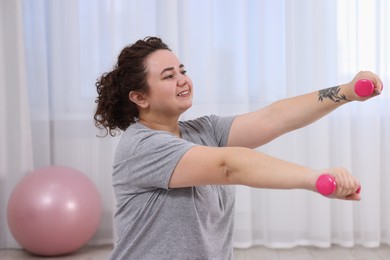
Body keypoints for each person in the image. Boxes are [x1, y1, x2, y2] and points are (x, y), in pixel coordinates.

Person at [94, 36, 383, 260]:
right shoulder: (141, 146)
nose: (183, 79)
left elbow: (274, 118)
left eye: (182, 70)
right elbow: (229, 166)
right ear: (140, 97)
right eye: (168, 76)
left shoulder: (203, 131)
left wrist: (345, 92)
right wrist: (312, 178)